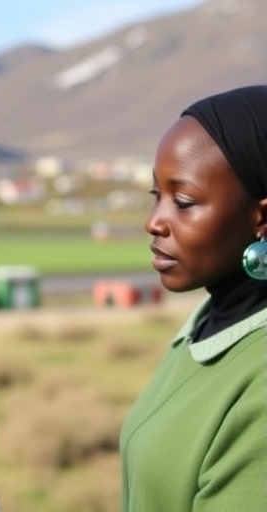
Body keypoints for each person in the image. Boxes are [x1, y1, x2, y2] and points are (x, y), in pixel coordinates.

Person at [120, 85, 267, 510]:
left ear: (262, 218)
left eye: (183, 202)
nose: (154, 222)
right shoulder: (207, 323)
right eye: (157, 196)